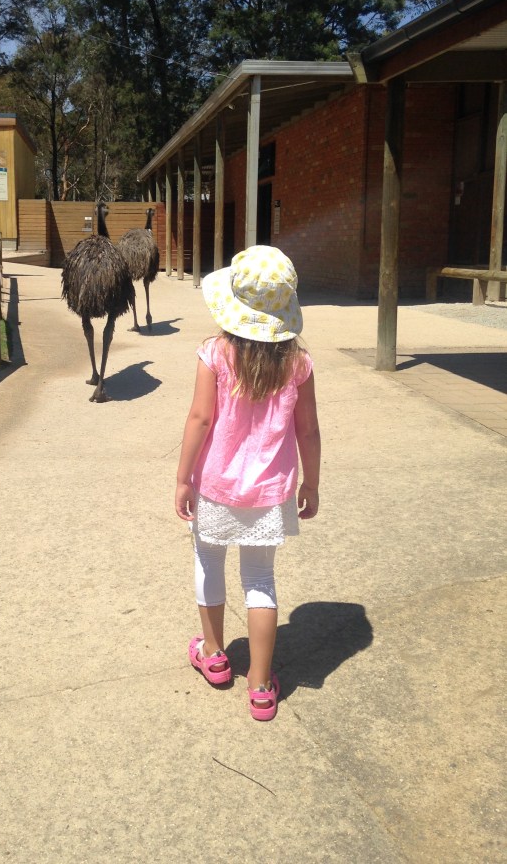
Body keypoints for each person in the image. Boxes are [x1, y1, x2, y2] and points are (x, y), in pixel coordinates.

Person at [174, 245, 321, 721]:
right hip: (270, 491)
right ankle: (260, 686)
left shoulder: (216, 353)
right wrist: (311, 484)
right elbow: (308, 431)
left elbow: (200, 418)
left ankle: (214, 654)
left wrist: (183, 478)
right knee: (260, 580)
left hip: (216, 485)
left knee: (208, 560)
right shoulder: (298, 363)